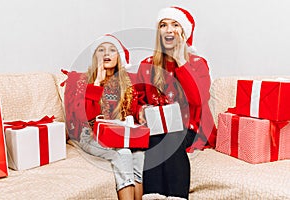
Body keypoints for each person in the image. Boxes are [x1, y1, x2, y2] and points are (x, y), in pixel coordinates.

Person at [134, 6, 217, 200]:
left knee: (172, 136)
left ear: (184, 33)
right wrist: (140, 110)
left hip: (190, 127)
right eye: (163, 25)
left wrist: (181, 61)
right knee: (154, 138)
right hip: (158, 127)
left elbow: (197, 101)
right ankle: (152, 197)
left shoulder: (198, 63)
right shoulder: (147, 64)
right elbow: (136, 98)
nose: (169, 29)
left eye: (175, 24)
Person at [74, 34, 144, 200]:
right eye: (101, 50)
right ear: (95, 56)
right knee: (123, 154)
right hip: (91, 135)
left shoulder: (126, 84)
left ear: (118, 57)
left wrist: (141, 110)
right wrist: (97, 82)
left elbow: (130, 116)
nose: (106, 53)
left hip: (117, 135)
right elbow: (84, 117)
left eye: (112, 50)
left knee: (139, 153)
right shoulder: (84, 82)